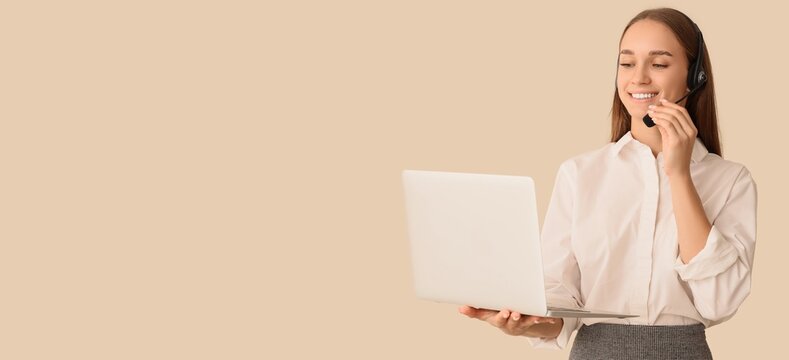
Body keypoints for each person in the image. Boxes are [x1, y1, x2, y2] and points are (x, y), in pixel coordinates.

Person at [458, 7, 757, 359]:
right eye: (627, 63)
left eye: (659, 64)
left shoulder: (731, 180)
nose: (639, 79)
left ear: (695, 76)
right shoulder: (580, 174)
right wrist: (528, 322)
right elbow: (560, 299)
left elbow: (719, 301)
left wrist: (679, 174)